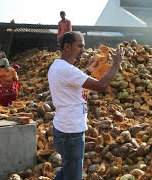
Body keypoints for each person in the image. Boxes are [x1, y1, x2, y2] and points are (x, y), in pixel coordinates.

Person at [48, 32, 124, 180]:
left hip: (64, 128)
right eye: (80, 45)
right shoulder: (67, 70)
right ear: (67, 47)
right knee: (73, 175)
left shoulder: (59, 66)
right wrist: (116, 64)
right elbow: (101, 85)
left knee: (66, 170)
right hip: (71, 132)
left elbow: (74, 80)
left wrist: (90, 69)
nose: (83, 49)